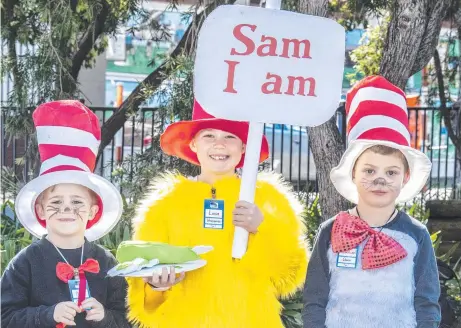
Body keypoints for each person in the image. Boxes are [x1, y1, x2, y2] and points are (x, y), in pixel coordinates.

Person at [125, 100, 308, 328]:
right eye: (208, 135)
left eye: (230, 136)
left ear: (244, 147)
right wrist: (156, 286)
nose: (219, 145)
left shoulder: (269, 200)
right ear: (193, 144)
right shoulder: (165, 204)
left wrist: (262, 229)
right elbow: (143, 284)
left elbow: (288, 277)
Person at [302, 75, 441, 328]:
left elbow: (427, 302)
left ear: (405, 178)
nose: (380, 180)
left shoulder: (416, 234)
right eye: (369, 171)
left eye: (391, 173)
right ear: (353, 173)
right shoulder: (330, 231)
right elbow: (315, 299)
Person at [1, 100, 131, 328]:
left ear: (93, 211)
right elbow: (5, 318)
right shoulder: (25, 263)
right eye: (56, 201)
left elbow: (128, 320)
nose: (67, 209)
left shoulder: (107, 263)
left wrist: (105, 317)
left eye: (77, 201)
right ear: (40, 209)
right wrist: (47, 314)